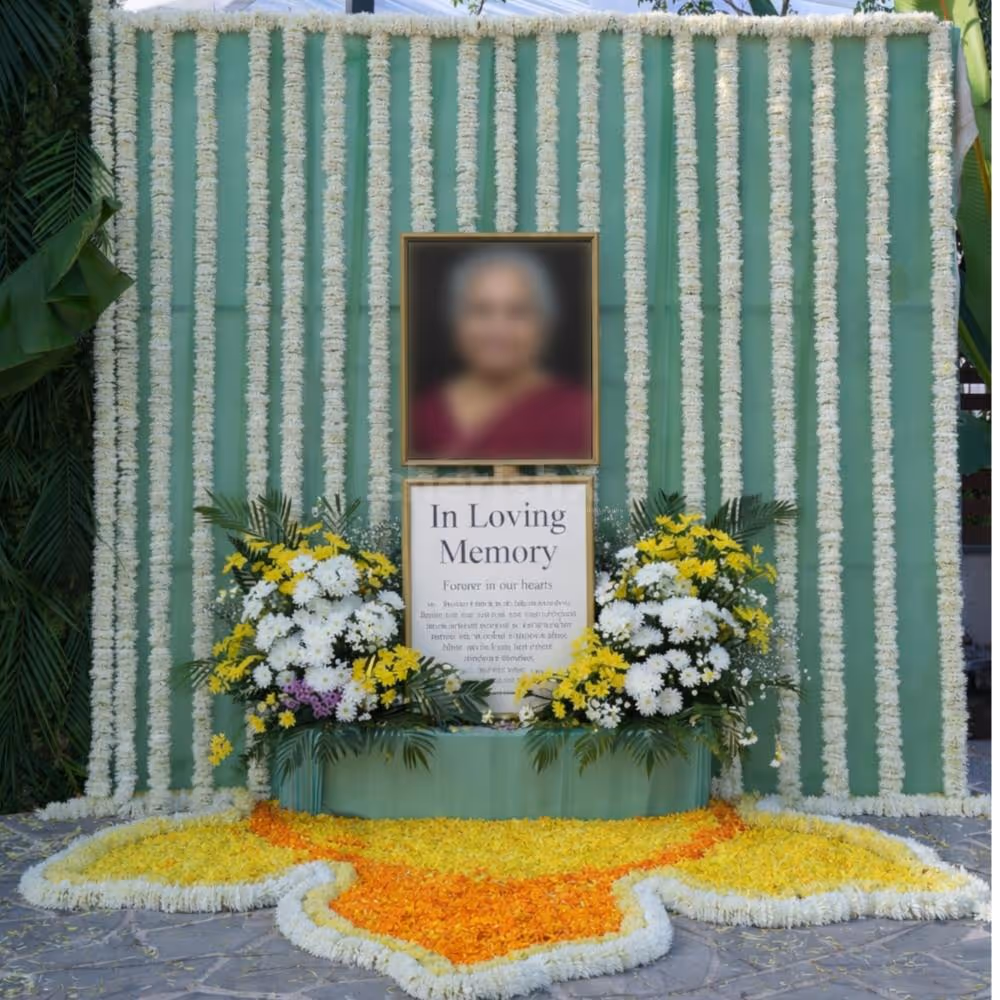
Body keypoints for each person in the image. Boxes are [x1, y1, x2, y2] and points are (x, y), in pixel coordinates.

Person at [408, 248, 592, 462]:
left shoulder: (580, 414)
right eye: (480, 311)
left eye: (518, 312)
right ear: (456, 323)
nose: (498, 330)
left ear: (544, 325)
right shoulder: (422, 416)